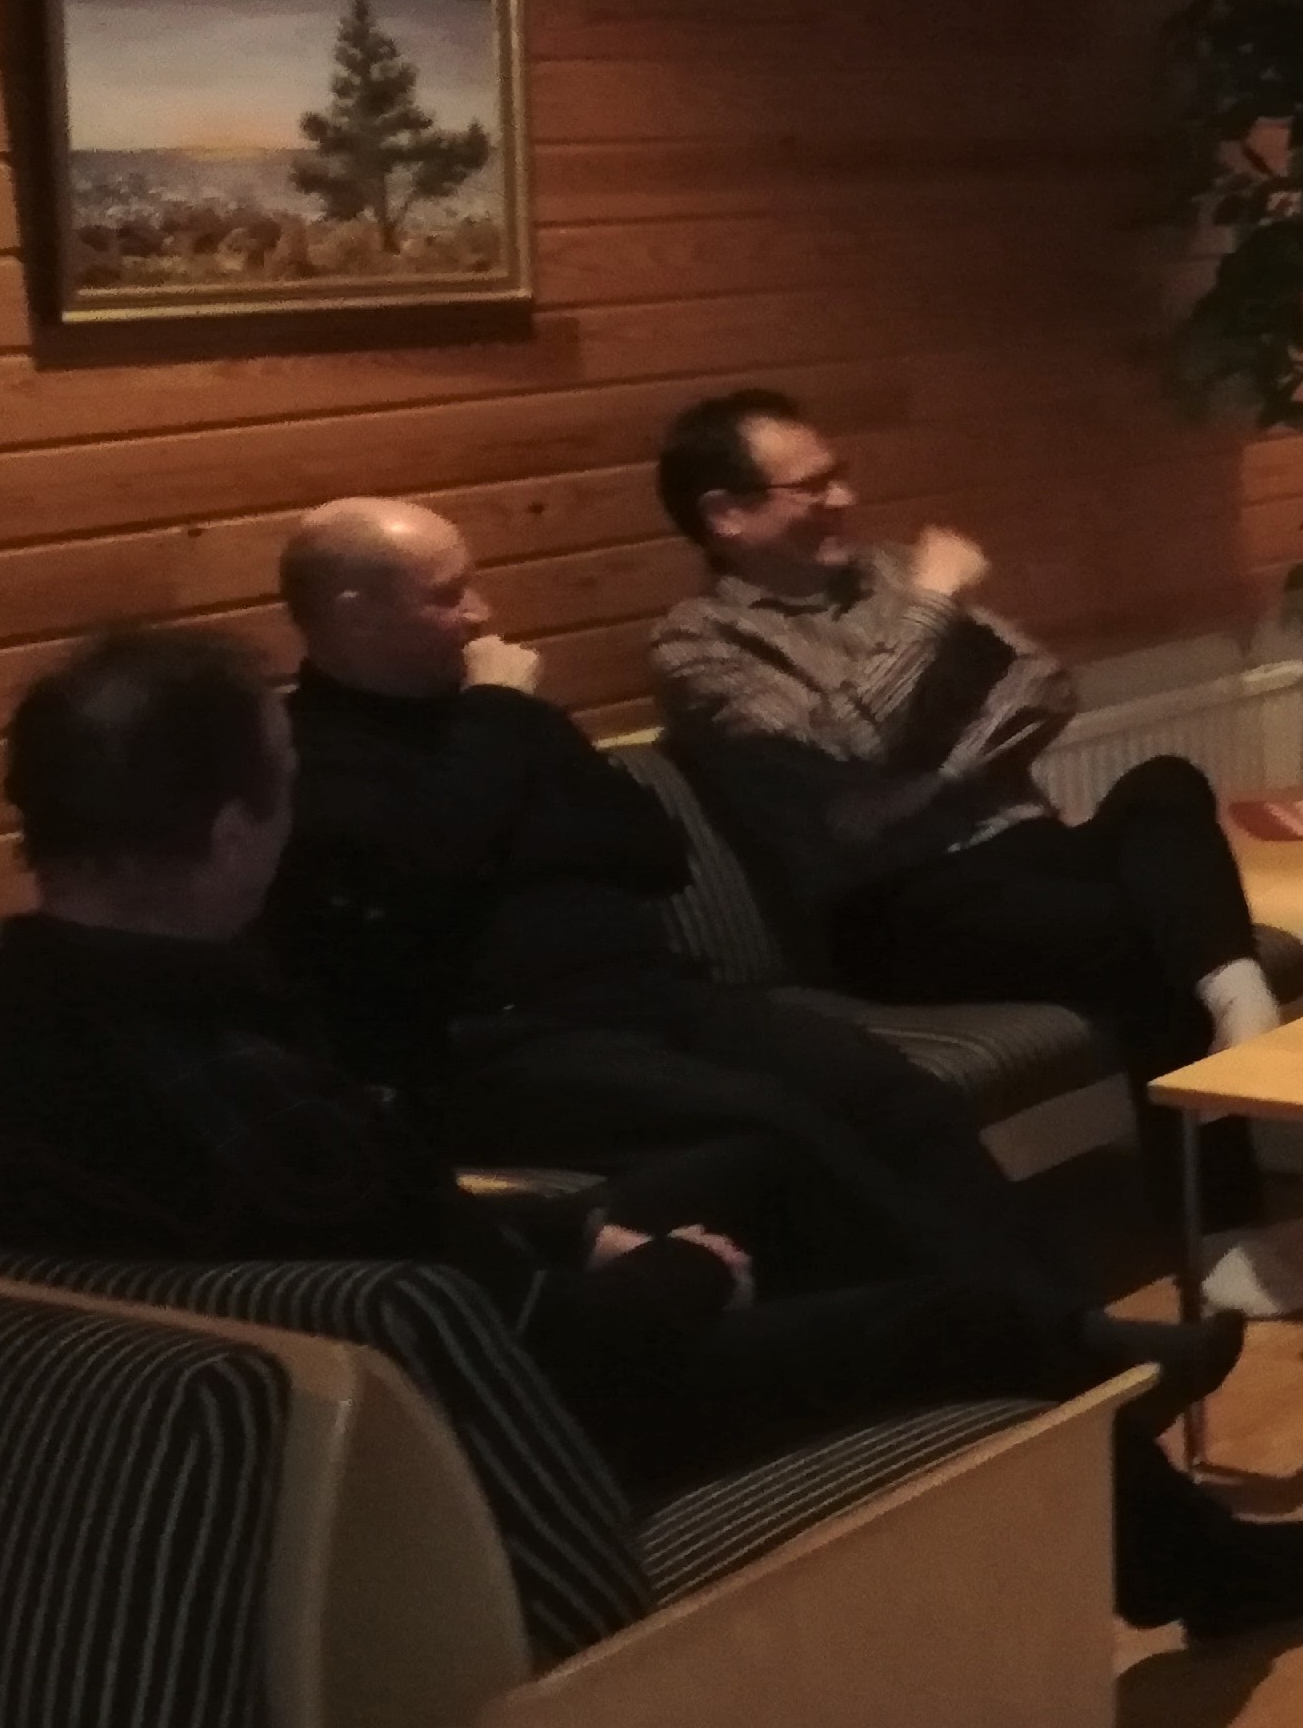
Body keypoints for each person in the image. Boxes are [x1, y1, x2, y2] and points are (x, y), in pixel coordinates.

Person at [0, 628, 1303, 1641]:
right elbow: (497, 1331)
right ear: (231, 832)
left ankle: (1080, 1357)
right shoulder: (253, 1089)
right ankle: (1170, 1524)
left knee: (773, 1160)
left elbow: (393, 1232)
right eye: (284, 785)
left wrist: (568, 1221)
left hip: (360, 1358)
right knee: (958, 1318)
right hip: (502, 1430)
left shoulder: (16, 1030)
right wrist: (672, 1275)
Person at [261, 495, 1220, 1412]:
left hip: (655, 995)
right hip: (498, 1043)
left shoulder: (509, 725)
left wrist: (506, 793)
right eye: (449, 595)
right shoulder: (311, 756)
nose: (481, 614)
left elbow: (649, 850)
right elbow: (421, 884)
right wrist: (503, 743)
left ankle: (1063, 1331)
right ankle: (1047, 1357)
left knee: (898, 1096)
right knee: (786, 1127)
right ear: (354, 611)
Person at [643, 390, 1303, 1316]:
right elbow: (849, 741)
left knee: (1164, 788)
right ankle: (1220, 1229)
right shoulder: (700, 645)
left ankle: (1241, 1003)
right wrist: (930, 608)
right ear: (727, 514)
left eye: (839, 474)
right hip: (899, 908)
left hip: (1021, 848)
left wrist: (916, 788)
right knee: (1143, 941)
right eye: (812, 486)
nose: (844, 498)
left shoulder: (885, 571)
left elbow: (1041, 683)